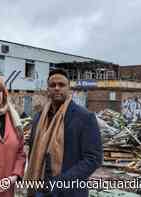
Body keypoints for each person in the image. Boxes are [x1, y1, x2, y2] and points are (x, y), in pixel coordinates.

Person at [26, 69, 103, 197]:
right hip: (39, 189)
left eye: (61, 85)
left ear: (69, 88)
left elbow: (94, 159)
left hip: (69, 191)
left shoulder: (84, 117)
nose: (57, 88)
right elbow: (33, 150)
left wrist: (60, 183)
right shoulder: (39, 118)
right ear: (48, 89)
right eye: (53, 85)